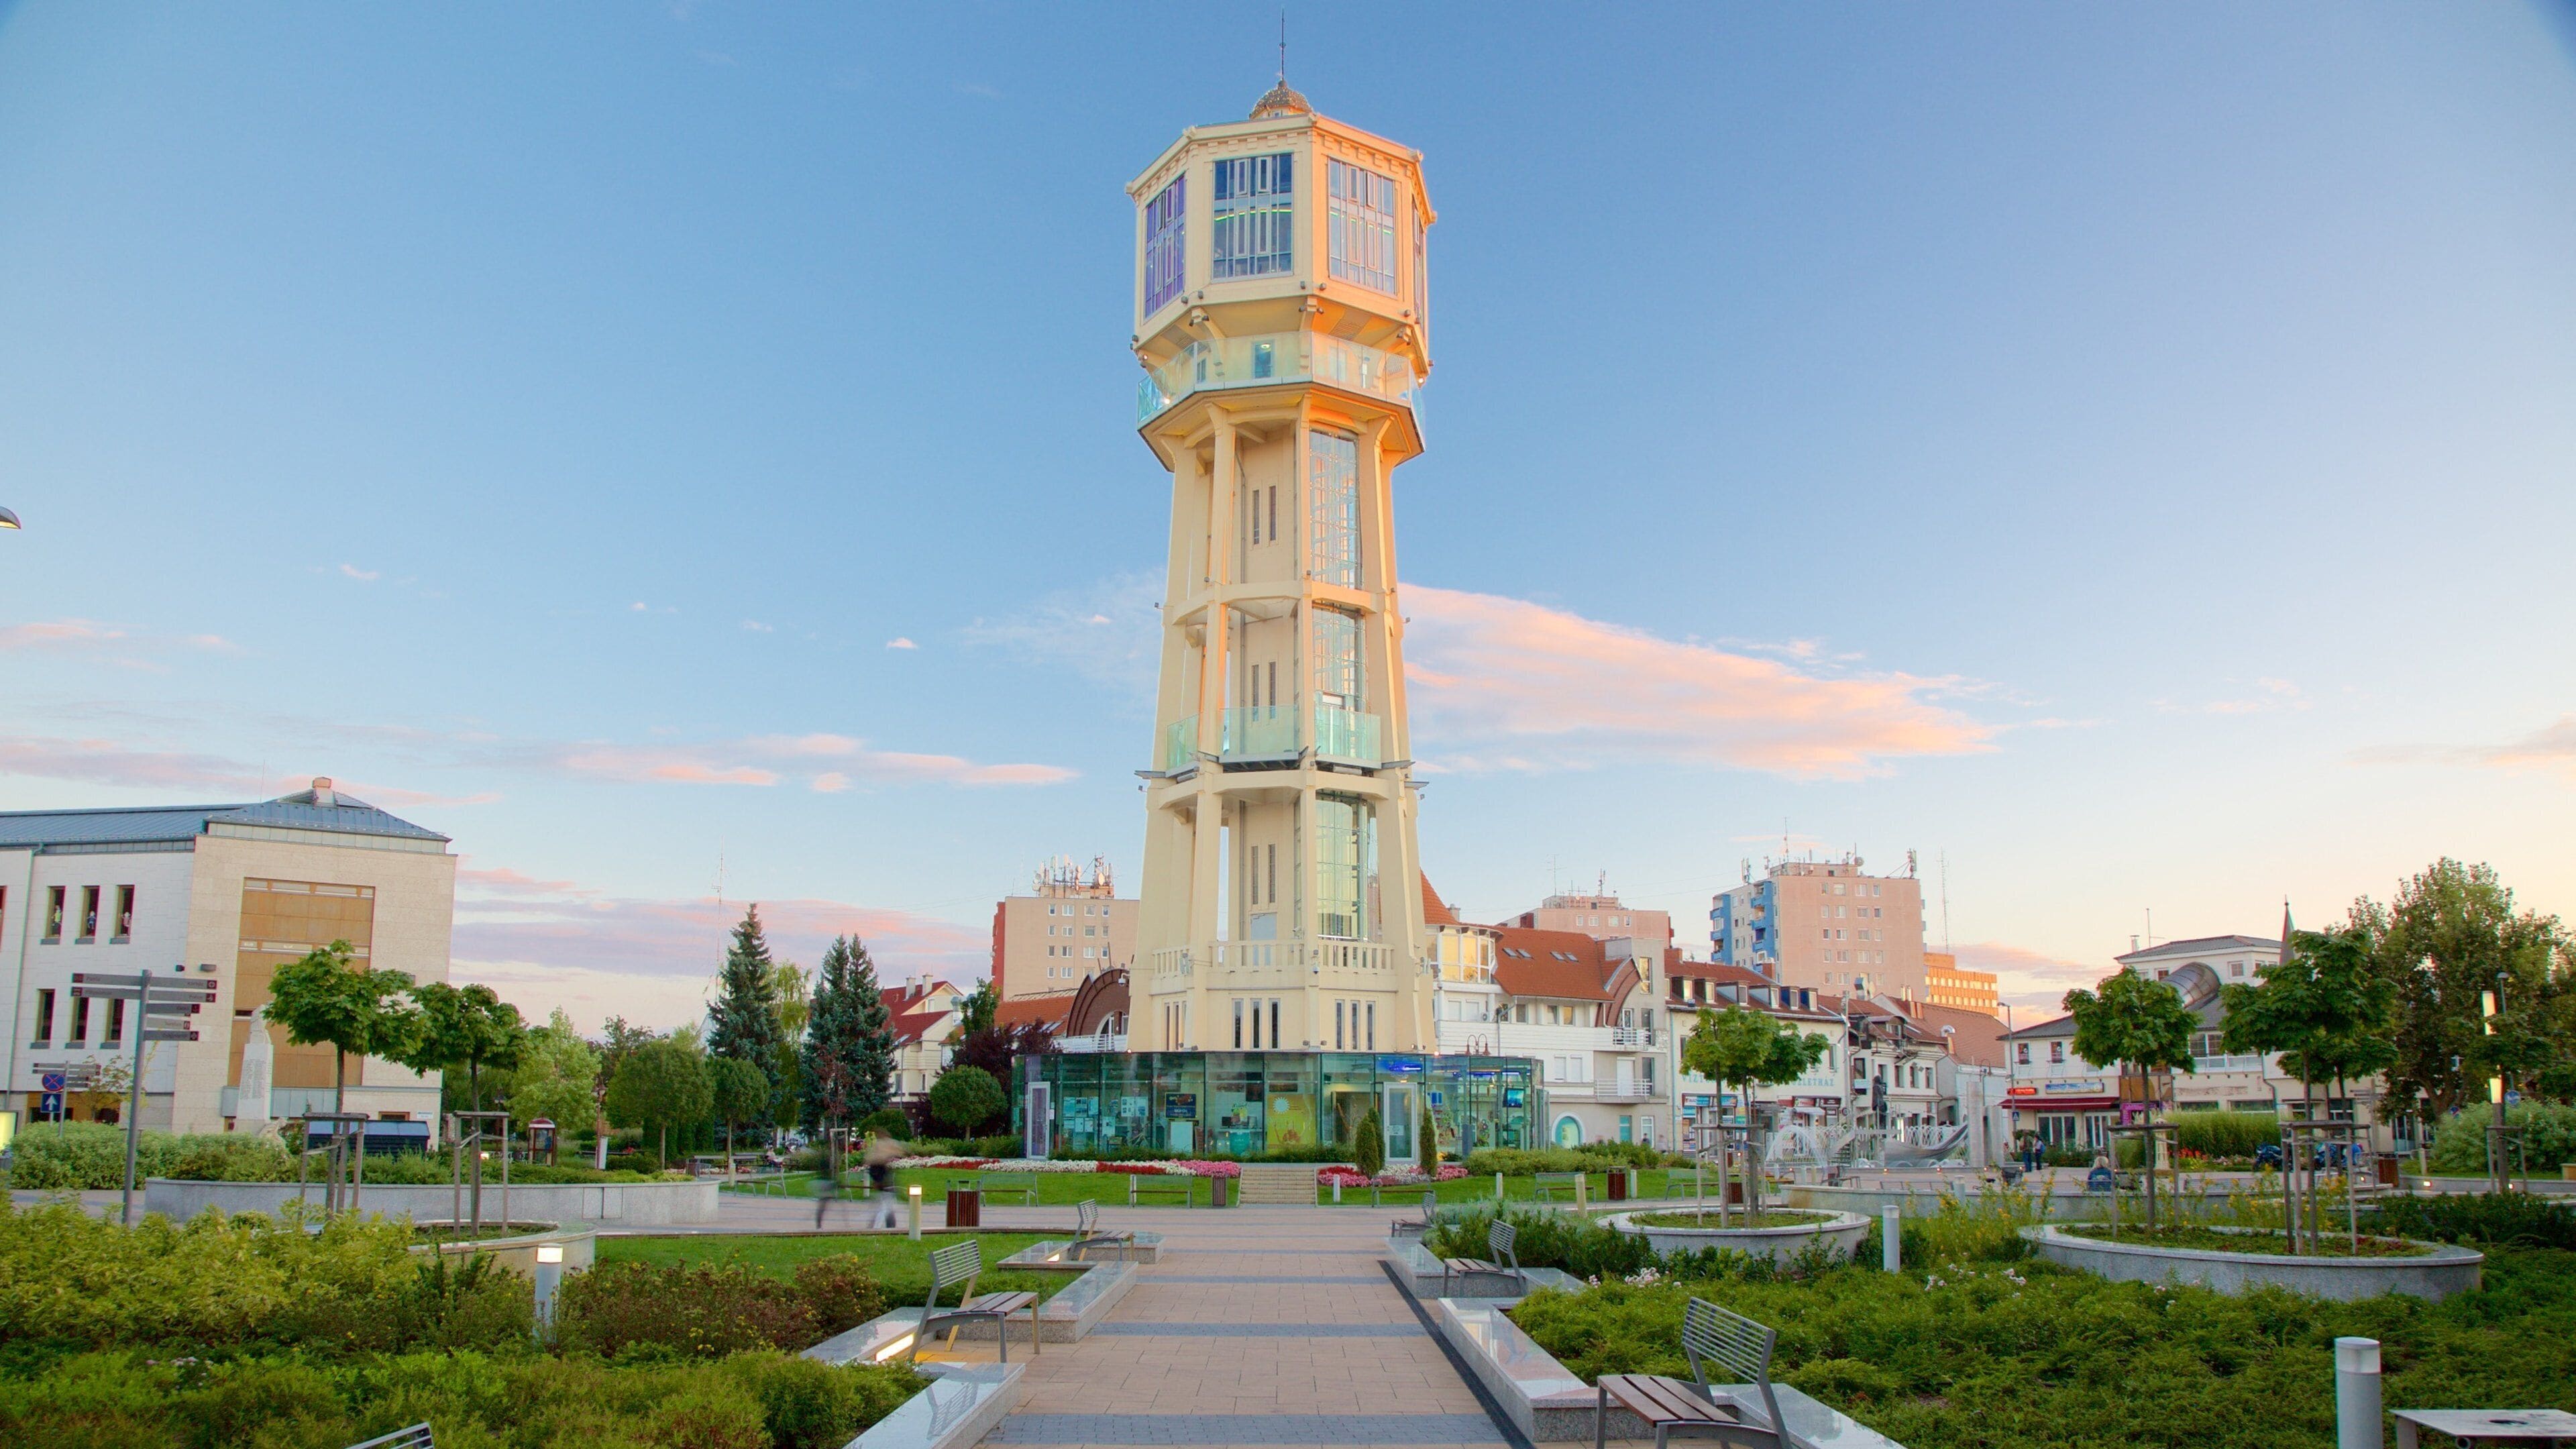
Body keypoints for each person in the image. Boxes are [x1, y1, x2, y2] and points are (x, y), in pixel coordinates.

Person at [862, 1128, 906, 1230]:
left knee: (886, 1203)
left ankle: (887, 1226)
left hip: (879, 1173)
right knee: (886, 1204)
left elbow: (869, 1160)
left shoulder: (879, 1146)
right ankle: (878, 1227)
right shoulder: (886, 1145)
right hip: (881, 1173)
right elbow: (900, 1152)